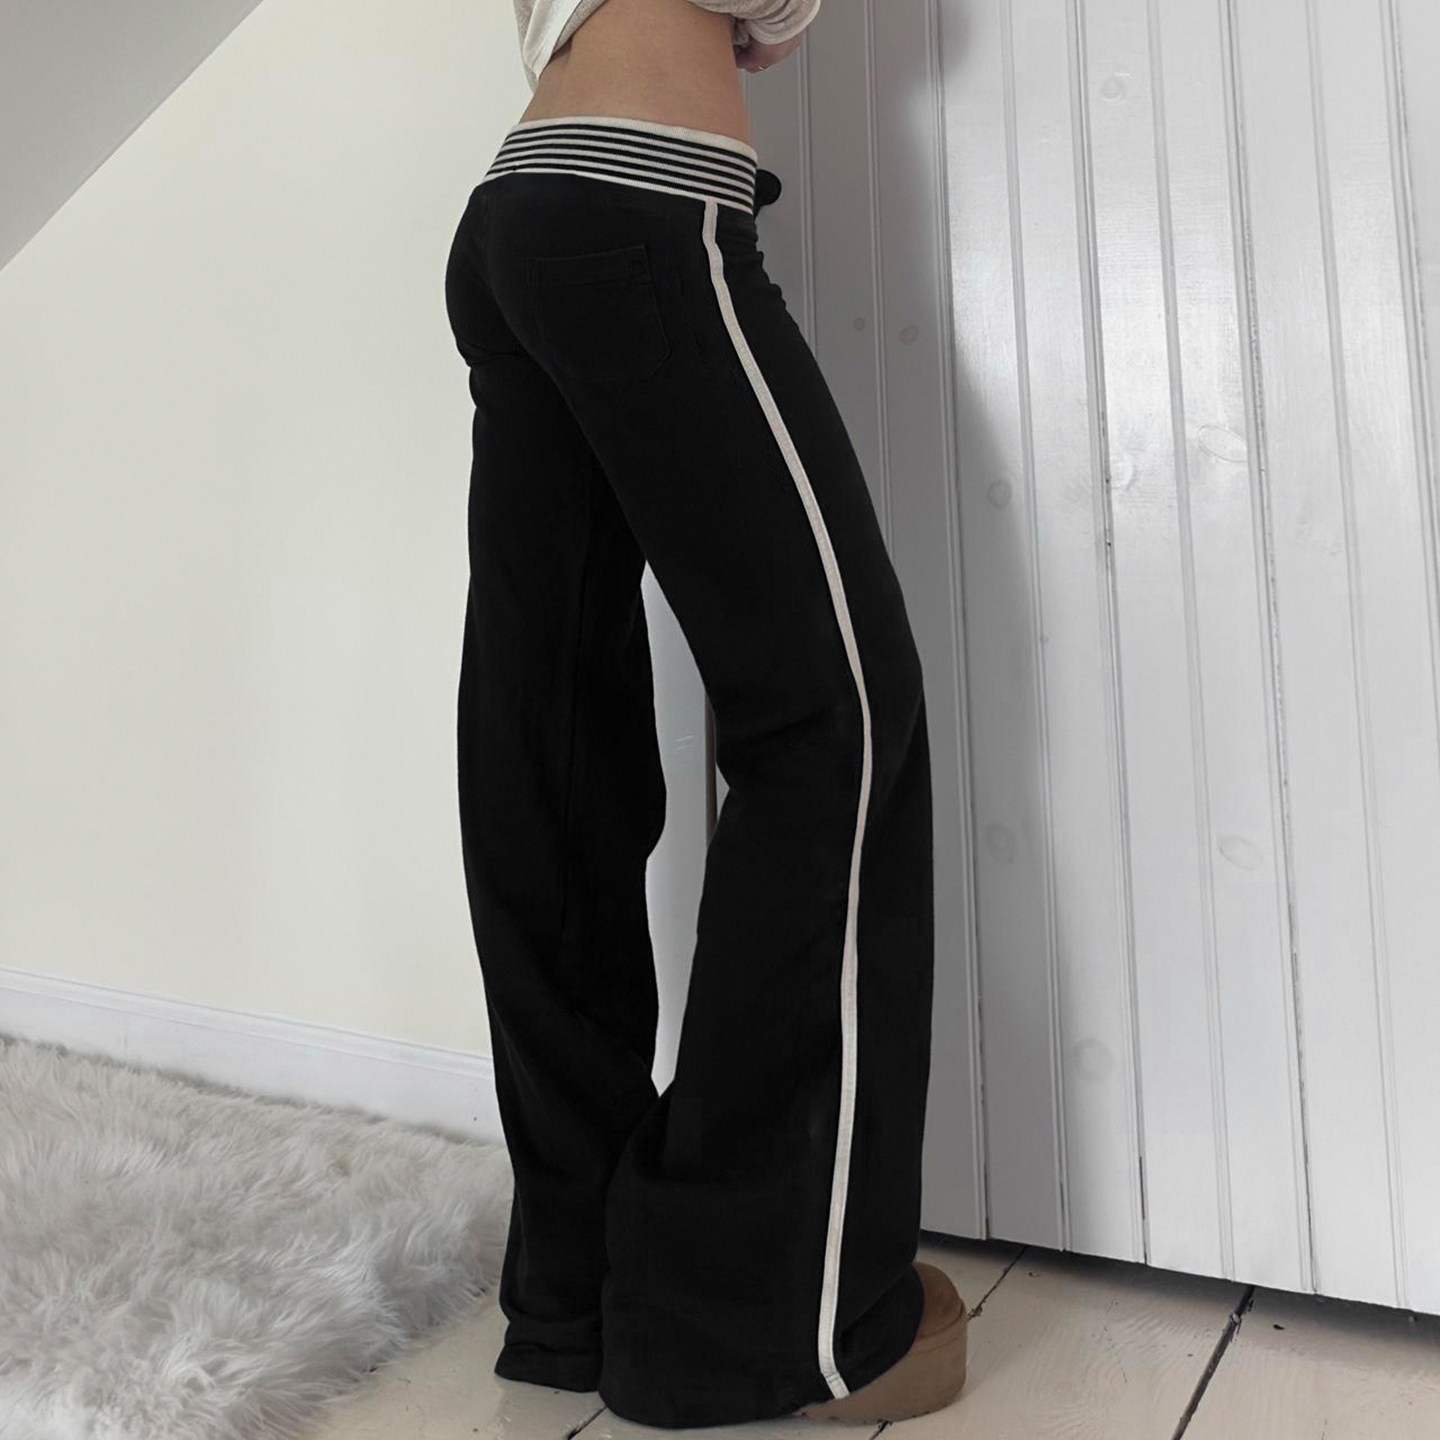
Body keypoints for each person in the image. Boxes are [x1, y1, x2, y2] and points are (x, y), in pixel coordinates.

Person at [441, 0, 967, 1426]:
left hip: (521, 207)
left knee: (553, 749)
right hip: (645, 200)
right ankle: (758, 1316)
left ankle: (577, 1291)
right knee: (835, 722)